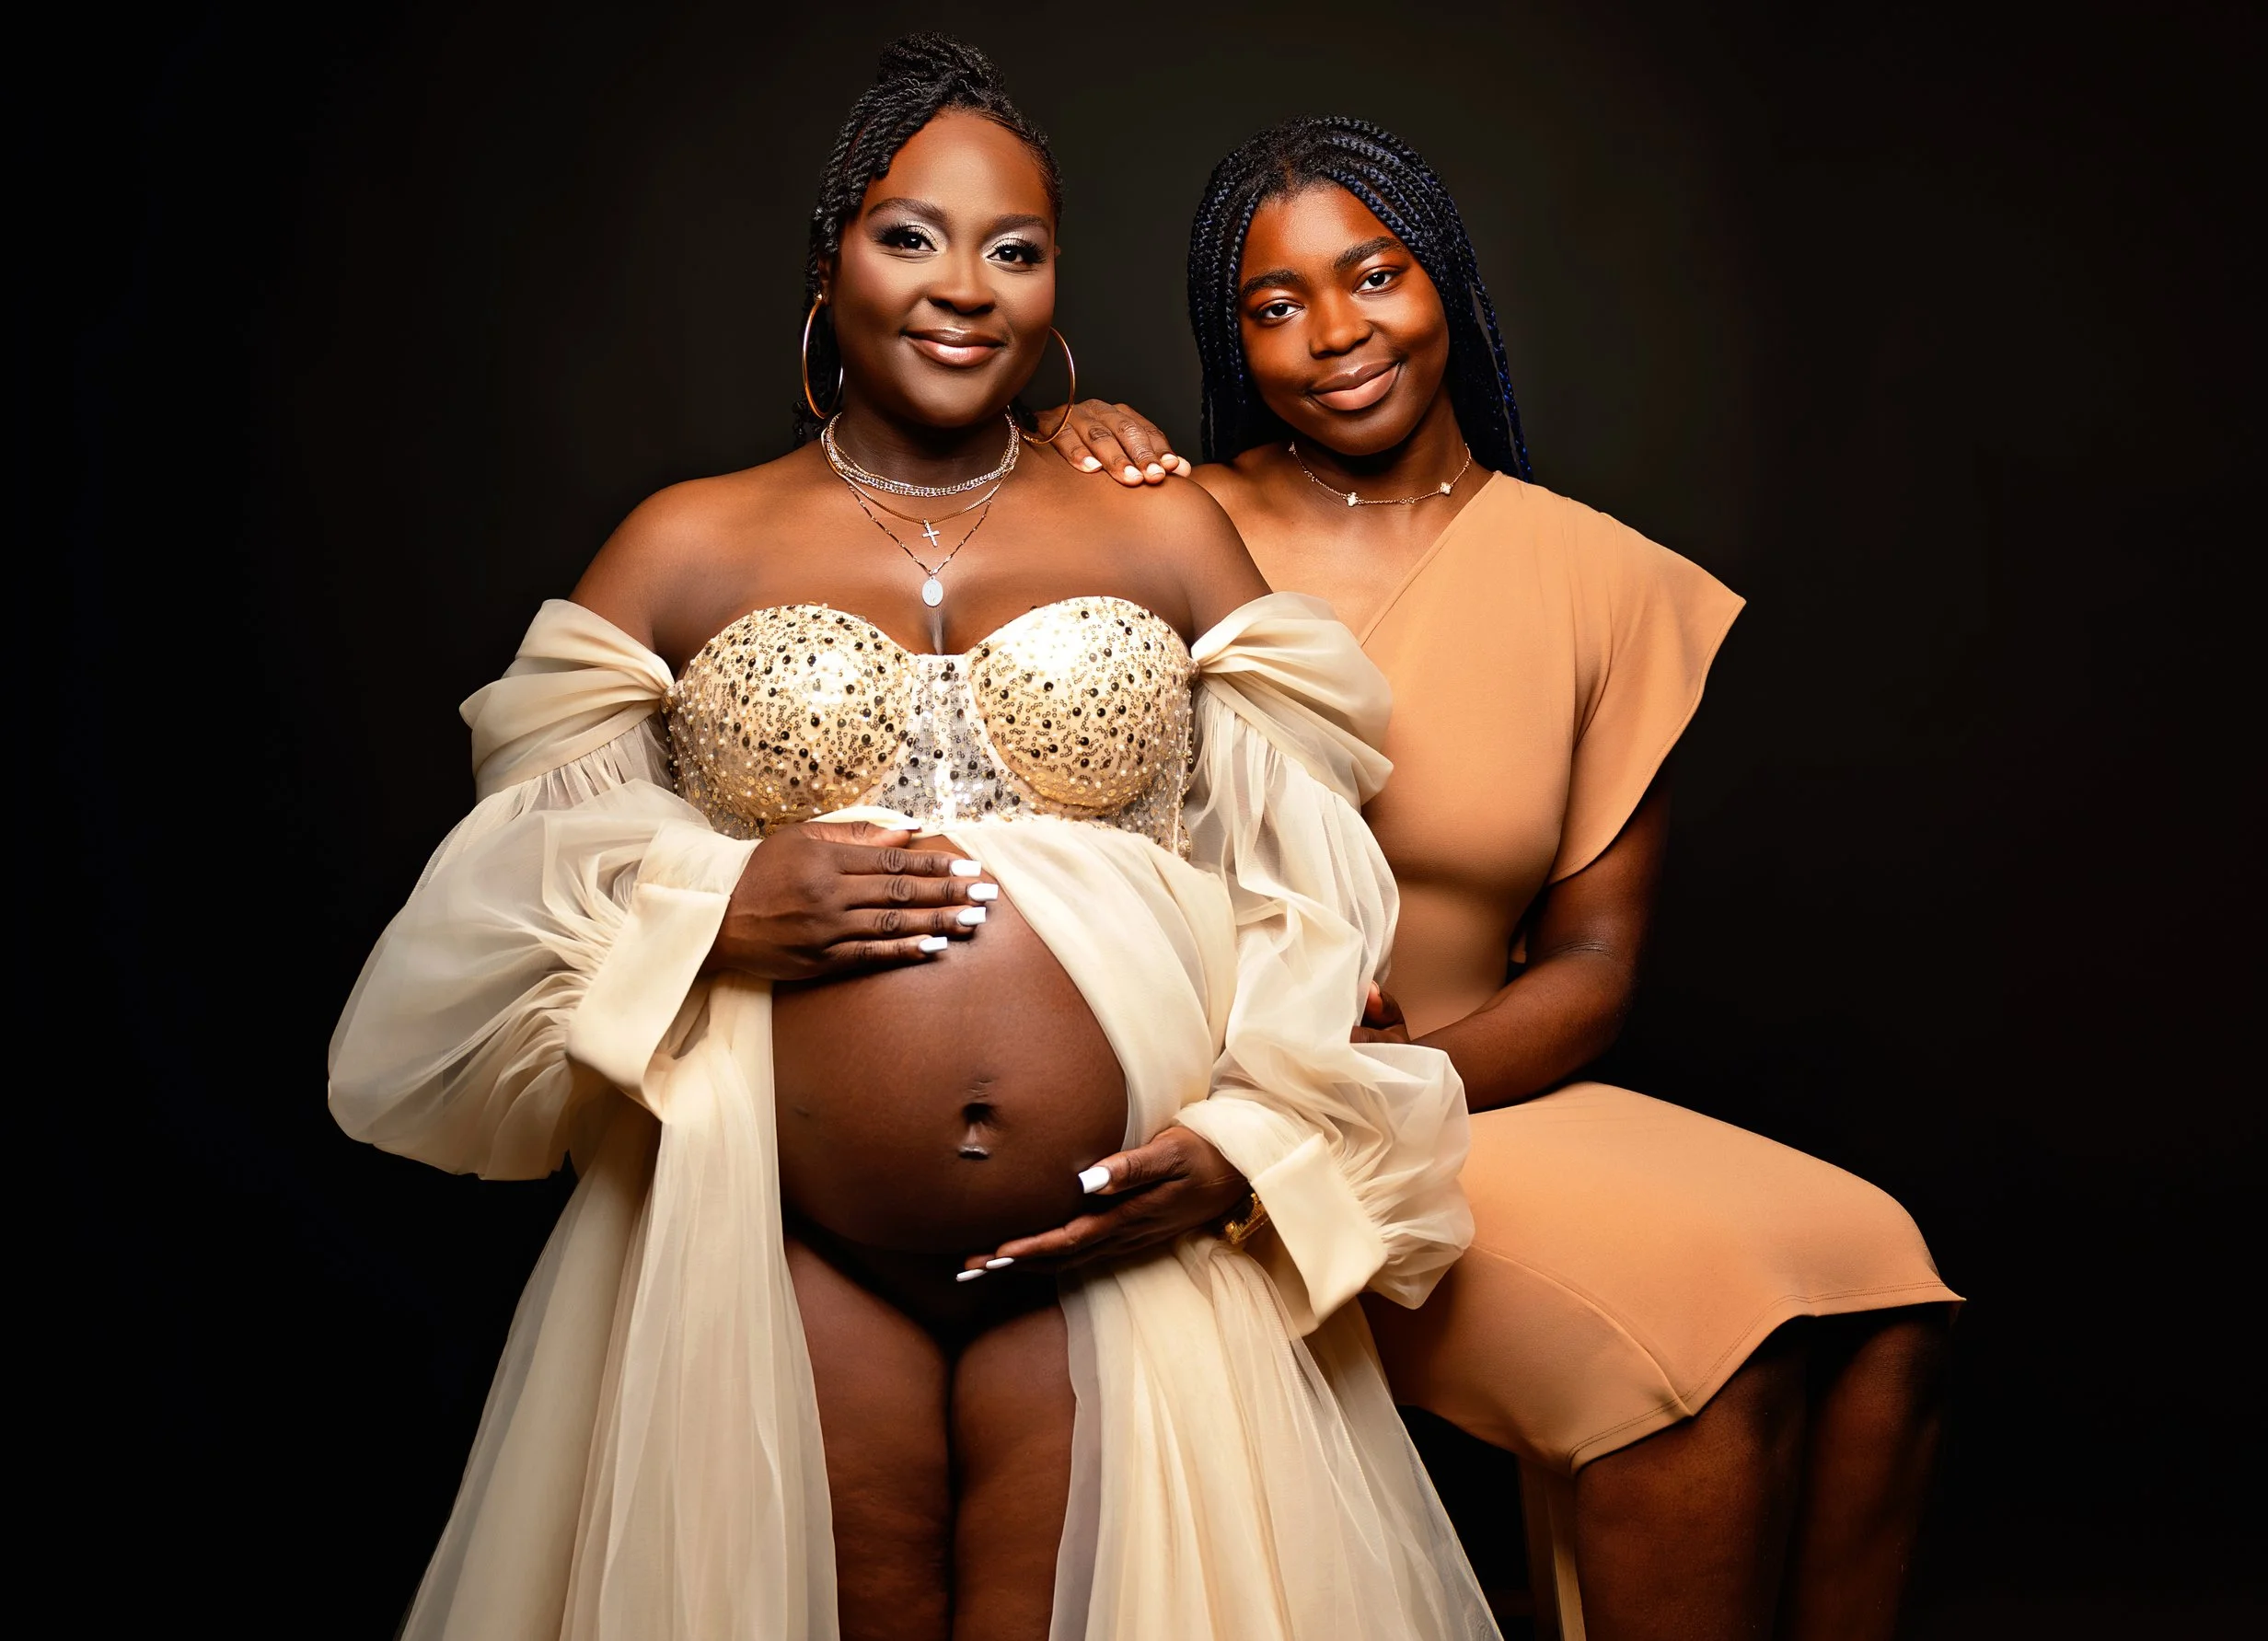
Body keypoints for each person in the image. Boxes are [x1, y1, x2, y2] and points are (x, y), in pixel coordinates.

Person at [330, 49, 1501, 1641]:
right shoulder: (685, 541)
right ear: (830, 263)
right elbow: (502, 896)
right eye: (911, 237)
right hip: (778, 1250)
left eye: (1014, 250)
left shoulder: (1155, 524)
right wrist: (713, 905)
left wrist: (1255, 1142)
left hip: (1121, 1240)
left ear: (1055, 286)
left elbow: (1306, 878)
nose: (966, 289)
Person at [1030, 116, 1961, 1641]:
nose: (1336, 335)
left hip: (1463, 1090)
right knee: (1707, 1343)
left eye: (1374, 275)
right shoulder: (1157, 522)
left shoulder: (1605, 577)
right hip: (1228, 1110)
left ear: (1442, 277)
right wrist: (1058, 446)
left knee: (1888, 1287)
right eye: (1273, 306)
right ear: (1230, 334)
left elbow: (1592, 965)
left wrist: (1409, 1081)